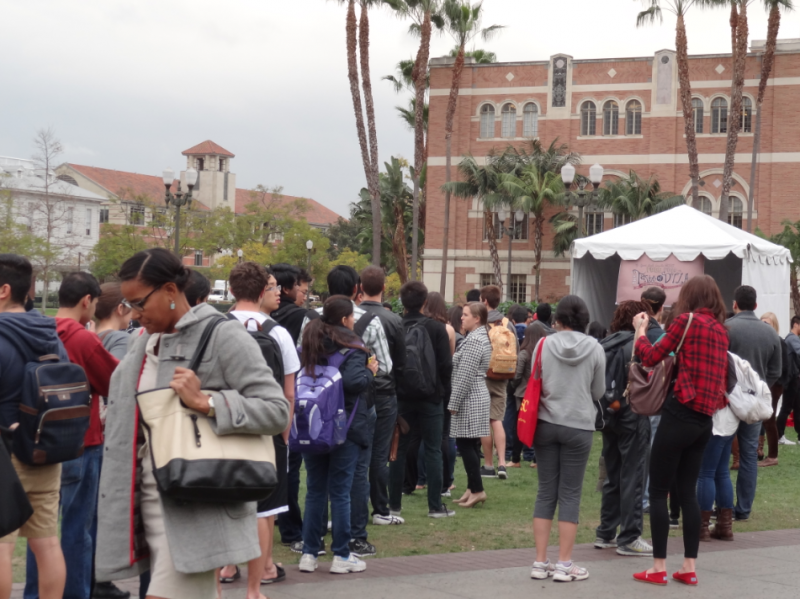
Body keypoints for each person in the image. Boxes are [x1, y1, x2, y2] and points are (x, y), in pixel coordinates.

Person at [94, 248, 289, 599]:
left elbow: (276, 409)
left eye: (140, 303)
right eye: (129, 306)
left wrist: (209, 402)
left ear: (170, 291)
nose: (135, 314)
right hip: (143, 502)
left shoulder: (222, 335)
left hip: (196, 502)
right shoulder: (144, 343)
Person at [24, 273, 120, 599]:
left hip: (39, 443)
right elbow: (113, 382)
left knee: (41, 533)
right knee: (77, 530)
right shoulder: (83, 339)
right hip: (83, 442)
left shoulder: (37, 331)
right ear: (86, 301)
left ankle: (36, 593)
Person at [632, 275, 729, 586]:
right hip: (704, 419)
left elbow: (649, 357)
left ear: (690, 297)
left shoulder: (686, 321)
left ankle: (658, 565)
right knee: (687, 492)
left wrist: (640, 331)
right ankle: (689, 566)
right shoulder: (721, 331)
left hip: (679, 412)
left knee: (659, 491)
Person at [300, 266, 393, 557]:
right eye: (352, 316)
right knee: (343, 488)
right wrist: (370, 372)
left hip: (313, 422)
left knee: (315, 490)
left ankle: (310, 552)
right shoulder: (353, 347)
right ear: (344, 318)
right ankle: (343, 552)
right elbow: (354, 382)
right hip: (345, 424)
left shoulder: (311, 340)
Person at [220, 262, 300, 596]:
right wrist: (284, 431)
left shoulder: (216, 327)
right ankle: (262, 573)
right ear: (261, 290)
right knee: (265, 507)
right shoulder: (277, 332)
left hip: (225, 424)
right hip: (266, 428)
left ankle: (226, 566)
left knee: (223, 500)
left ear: (232, 289)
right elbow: (289, 391)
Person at [0, 255, 68, 599]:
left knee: (1, 547)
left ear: (4, 290)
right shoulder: (50, 336)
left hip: (5, 455)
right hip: (44, 449)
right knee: (47, 543)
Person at [530, 296, 605, 583]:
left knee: (545, 492)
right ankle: (564, 564)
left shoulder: (543, 344)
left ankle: (540, 562)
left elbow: (535, 379)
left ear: (558, 319)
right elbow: (598, 391)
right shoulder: (596, 348)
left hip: (546, 423)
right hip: (578, 425)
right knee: (570, 493)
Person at [594, 301, 655, 558]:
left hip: (609, 414)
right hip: (633, 413)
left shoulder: (606, 343)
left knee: (612, 472)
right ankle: (630, 536)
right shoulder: (636, 344)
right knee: (634, 474)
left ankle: (606, 532)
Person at [389, 281, 455, 519]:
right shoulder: (437, 329)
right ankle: (435, 506)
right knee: (433, 449)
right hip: (431, 397)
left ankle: (394, 504)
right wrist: (442, 392)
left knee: (399, 448)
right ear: (425, 302)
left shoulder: (396, 326)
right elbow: (446, 366)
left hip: (402, 396)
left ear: (402, 302)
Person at [270, 263, 317, 550]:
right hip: (290, 394)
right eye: (301, 288)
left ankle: (274, 515)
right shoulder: (302, 317)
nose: (303, 294)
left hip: (259, 395)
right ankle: (291, 528)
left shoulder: (260, 317)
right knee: (290, 465)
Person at [726, 285, 781, 523]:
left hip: (727, 401)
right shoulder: (770, 334)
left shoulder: (726, 328)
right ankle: (743, 508)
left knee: (720, 454)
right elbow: (776, 371)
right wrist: (758, 388)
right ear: (756, 306)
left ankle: (723, 506)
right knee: (749, 454)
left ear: (734, 304)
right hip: (753, 403)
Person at [358, 266, 406, 527]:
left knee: (354, 452)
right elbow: (400, 361)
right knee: (379, 454)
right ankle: (380, 508)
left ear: (360, 287)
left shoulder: (350, 316)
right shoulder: (393, 320)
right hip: (385, 391)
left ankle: (355, 506)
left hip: (358, 390)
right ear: (384, 288)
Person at [448, 302, 493, 508]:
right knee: (470, 444)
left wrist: (454, 402)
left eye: (466, 315)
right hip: (473, 393)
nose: (461, 318)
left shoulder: (475, 340)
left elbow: (465, 375)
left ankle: (477, 490)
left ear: (477, 318)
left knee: (466, 445)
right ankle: (472, 487)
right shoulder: (477, 337)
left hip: (470, 395)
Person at [479, 285, 517, 479]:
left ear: (485, 301)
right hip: (503, 378)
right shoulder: (507, 323)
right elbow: (515, 348)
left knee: (485, 422)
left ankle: (488, 465)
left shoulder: (482, 322)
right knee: (498, 420)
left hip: (485, 376)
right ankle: (502, 463)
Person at [639, 286, 667, 515]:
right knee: (653, 449)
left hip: (634, 397)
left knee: (637, 449)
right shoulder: (660, 336)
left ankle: (636, 495)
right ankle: (645, 497)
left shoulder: (635, 331)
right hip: (656, 398)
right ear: (662, 308)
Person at [510, 323, 548, 468]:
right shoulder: (545, 353)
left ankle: (515, 459)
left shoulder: (524, 353)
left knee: (520, 426)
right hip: (539, 393)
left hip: (523, 395)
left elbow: (517, 376)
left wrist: (512, 386)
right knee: (538, 427)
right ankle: (537, 460)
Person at [777, 316, 800, 444]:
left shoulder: (792, 339)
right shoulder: (792, 339)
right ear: (796, 324)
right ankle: (779, 435)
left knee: (797, 407)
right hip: (791, 380)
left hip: (794, 378)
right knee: (787, 407)